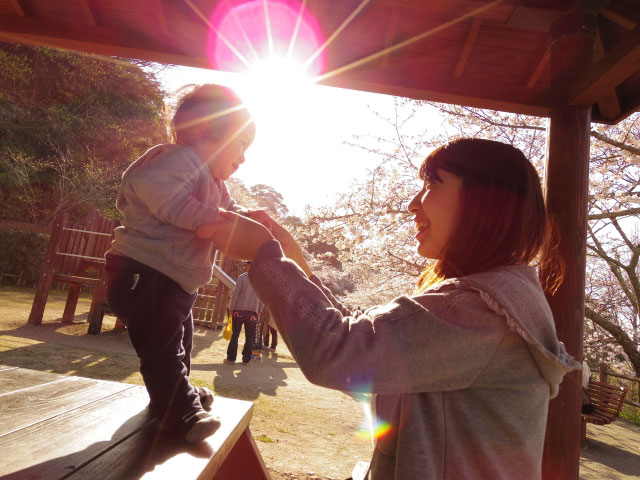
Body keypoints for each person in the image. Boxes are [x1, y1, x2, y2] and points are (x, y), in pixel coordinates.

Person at [198, 138, 581, 479]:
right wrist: (291, 258)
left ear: (484, 200)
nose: (413, 204)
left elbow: (343, 353)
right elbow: (371, 350)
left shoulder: (481, 312)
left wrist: (265, 256)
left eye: (432, 184)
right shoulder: (497, 300)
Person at [104, 83, 257, 443]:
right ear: (208, 130)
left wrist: (249, 222)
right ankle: (183, 412)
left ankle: (175, 397)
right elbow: (168, 200)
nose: (244, 157)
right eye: (241, 144)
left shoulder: (216, 183)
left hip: (173, 281)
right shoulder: (174, 159)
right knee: (162, 348)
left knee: (180, 344)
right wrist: (211, 219)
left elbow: (228, 214)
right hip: (143, 272)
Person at [224, 261, 262, 365]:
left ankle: (231, 359)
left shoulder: (242, 277)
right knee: (249, 336)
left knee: (235, 335)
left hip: (239, 311)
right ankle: (246, 359)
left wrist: (231, 309)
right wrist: (259, 310)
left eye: (247, 264)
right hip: (252, 313)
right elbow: (262, 298)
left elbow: (236, 295)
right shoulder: (260, 281)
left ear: (249, 265)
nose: (246, 266)